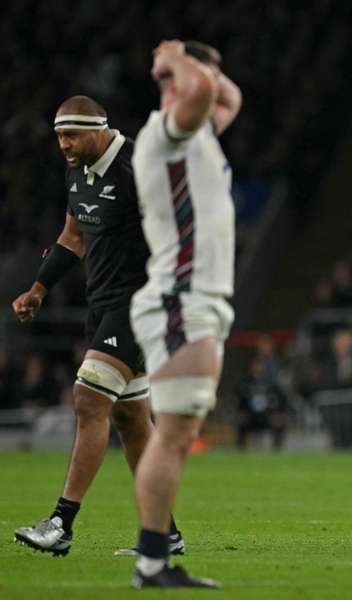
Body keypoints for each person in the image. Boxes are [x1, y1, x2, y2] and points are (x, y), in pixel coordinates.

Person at [11, 96, 183, 557]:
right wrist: (39, 289)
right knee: (131, 420)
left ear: (98, 130)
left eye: (71, 136)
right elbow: (73, 236)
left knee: (88, 399)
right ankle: (163, 533)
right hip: (103, 304)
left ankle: (61, 523)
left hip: (140, 305)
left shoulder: (137, 169)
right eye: (59, 136)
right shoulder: (78, 171)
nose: (63, 145)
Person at [128, 39, 241, 588]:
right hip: (180, 298)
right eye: (202, 78)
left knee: (178, 430)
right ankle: (152, 562)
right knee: (171, 434)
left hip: (199, 299)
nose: (212, 86)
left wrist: (192, 65)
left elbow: (228, 97)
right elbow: (201, 89)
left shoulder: (199, 135)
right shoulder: (166, 134)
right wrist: (172, 60)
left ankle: (156, 560)